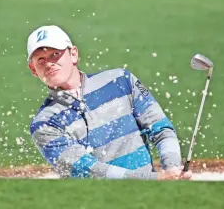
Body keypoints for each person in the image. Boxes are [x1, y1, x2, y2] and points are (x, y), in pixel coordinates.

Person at [26, 25, 192, 180]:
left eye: (55, 54)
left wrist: (172, 169)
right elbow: (87, 170)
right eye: (41, 59)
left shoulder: (120, 80)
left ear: (73, 54)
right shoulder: (44, 124)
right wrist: (153, 180)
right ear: (33, 69)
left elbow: (161, 128)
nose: (49, 63)